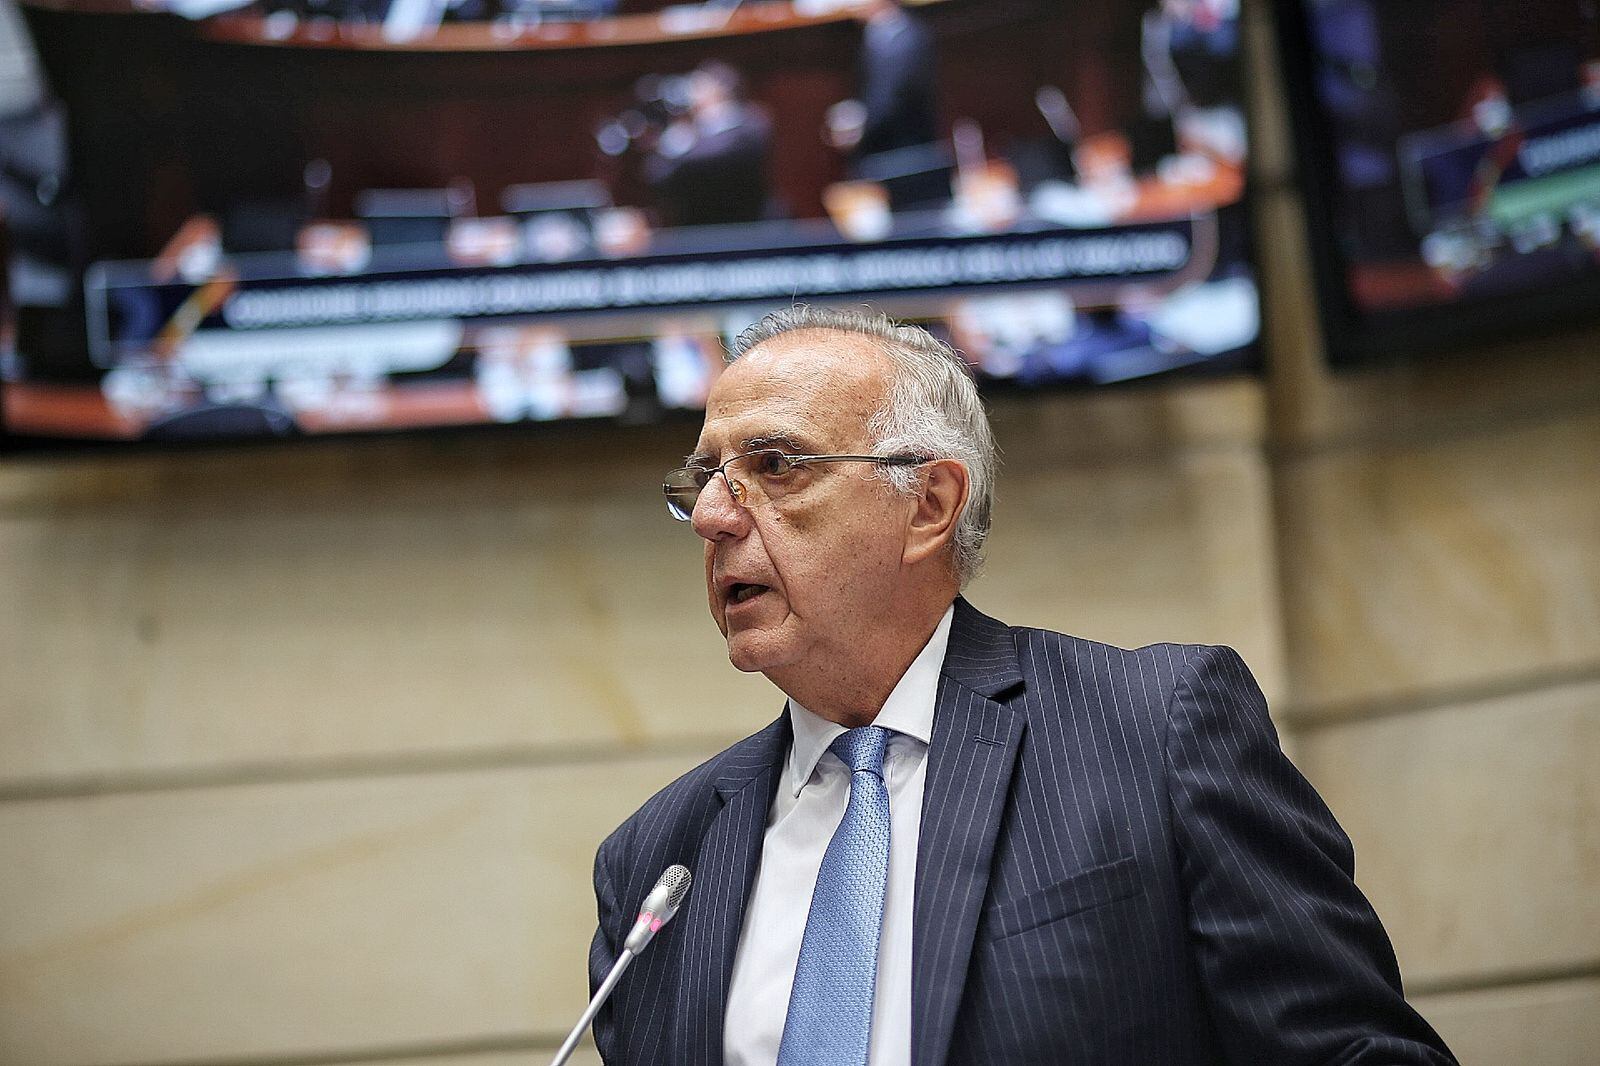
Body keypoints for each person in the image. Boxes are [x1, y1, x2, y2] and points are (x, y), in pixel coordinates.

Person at [587, 305, 1456, 1065]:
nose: (710, 516)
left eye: (776, 466)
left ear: (929, 504)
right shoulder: (657, 860)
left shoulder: (1157, 733)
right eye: (704, 479)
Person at [644, 61, 772, 228]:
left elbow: (718, 159)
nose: (690, 92)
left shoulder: (751, 121)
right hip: (698, 224)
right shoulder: (687, 131)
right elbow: (657, 174)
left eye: (698, 84)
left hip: (748, 223)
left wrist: (684, 147)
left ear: (720, 86)